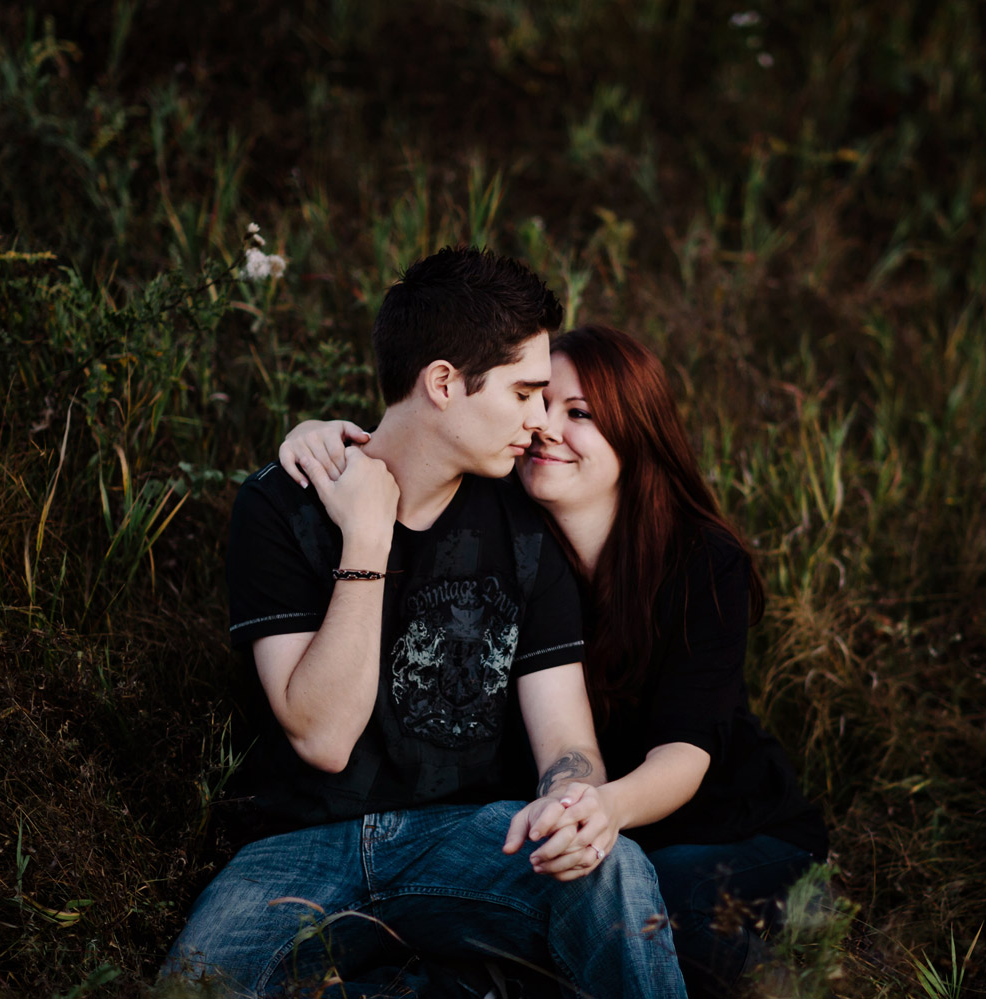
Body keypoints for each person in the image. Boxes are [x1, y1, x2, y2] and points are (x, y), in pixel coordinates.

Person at [162, 251, 686, 999]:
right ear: (444, 383)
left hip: (470, 841)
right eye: (524, 393)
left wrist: (575, 800)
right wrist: (368, 541)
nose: (539, 421)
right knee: (196, 988)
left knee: (615, 869)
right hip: (292, 854)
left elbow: (568, 743)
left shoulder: (528, 527)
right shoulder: (282, 506)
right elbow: (323, 735)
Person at [282, 323, 828, 997]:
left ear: (637, 434)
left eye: (581, 414)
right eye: (538, 402)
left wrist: (602, 807)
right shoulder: (506, 527)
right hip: (580, 835)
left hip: (727, 828)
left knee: (658, 923)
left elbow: (686, 752)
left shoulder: (699, 562)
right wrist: (323, 434)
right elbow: (420, 444)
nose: (545, 427)